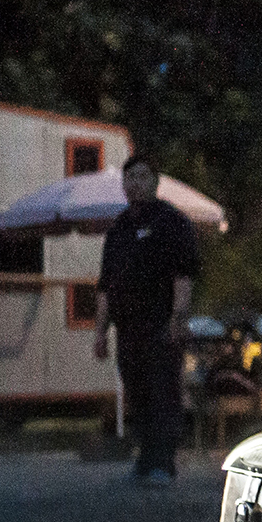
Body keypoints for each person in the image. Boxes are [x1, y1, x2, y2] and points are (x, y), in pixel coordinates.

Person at [94, 153, 200, 488]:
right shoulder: (119, 228)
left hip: (161, 324)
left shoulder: (171, 222)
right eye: (129, 178)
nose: (135, 184)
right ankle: (144, 460)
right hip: (128, 327)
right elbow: (105, 284)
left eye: (142, 177)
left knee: (162, 392)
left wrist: (178, 317)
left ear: (155, 182)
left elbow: (183, 275)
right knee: (137, 393)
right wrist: (100, 331)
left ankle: (163, 464)